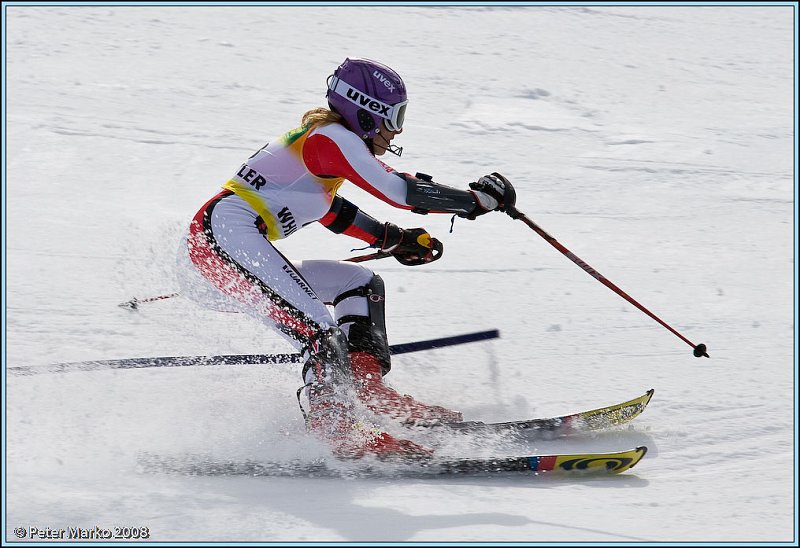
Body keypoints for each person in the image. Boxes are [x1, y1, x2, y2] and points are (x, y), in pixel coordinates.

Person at [183, 57, 513, 459]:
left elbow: (331, 211)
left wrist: (393, 239)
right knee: (321, 333)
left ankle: (368, 390)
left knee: (360, 285)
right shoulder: (332, 137)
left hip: (231, 245)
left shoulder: (326, 146)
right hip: (218, 242)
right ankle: (337, 429)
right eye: (394, 117)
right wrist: (472, 201)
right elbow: (399, 191)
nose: (398, 130)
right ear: (366, 112)